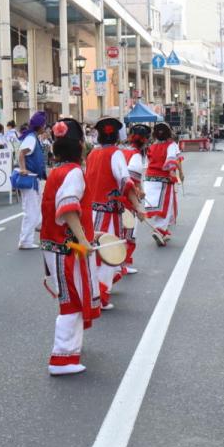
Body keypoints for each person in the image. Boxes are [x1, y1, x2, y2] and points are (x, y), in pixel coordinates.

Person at [39, 119, 101, 375]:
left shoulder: (57, 171)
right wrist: (84, 240)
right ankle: (62, 359)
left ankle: (71, 350)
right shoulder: (74, 172)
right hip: (68, 247)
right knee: (72, 301)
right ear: (79, 145)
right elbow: (68, 208)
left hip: (54, 245)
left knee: (70, 298)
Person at [84, 118, 141, 310]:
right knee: (108, 252)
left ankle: (93, 290)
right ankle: (100, 295)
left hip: (91, 211)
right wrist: (138, 207)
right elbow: (126, 182)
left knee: (95, 252)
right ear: (117, 136)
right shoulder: (116, 153)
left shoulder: (92, 153)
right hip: (109, 212)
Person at [143, 122, 182, 246]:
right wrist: (179, 173)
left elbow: (147, 162)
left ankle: (163, 231)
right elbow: (173, 160)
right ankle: (159, 230)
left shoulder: (151, 146)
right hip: (164, 179)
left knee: (156, 205)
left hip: (149, 179)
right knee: (165, 206)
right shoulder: (172, 145)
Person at [120, 124, 151, 273]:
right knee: (129, 232)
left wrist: (142, 190)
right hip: (127, 199)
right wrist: (138, 204)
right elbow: (131, 183)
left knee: (118, 231)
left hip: (116, 196)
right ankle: (123, 264)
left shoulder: (122, 151)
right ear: (145, 141)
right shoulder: (136, 156)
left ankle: (117, 264)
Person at [15, 112, 48, 250]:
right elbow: (21, 153)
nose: (45, 127)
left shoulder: (33, 137)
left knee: (35, 208)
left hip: (34, 178)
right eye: (44, 124)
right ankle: (25, 240)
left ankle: (36, 228)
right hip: (30, 178)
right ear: (40, 126)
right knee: (31, 210)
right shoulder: (31, 138)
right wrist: (23, 168)